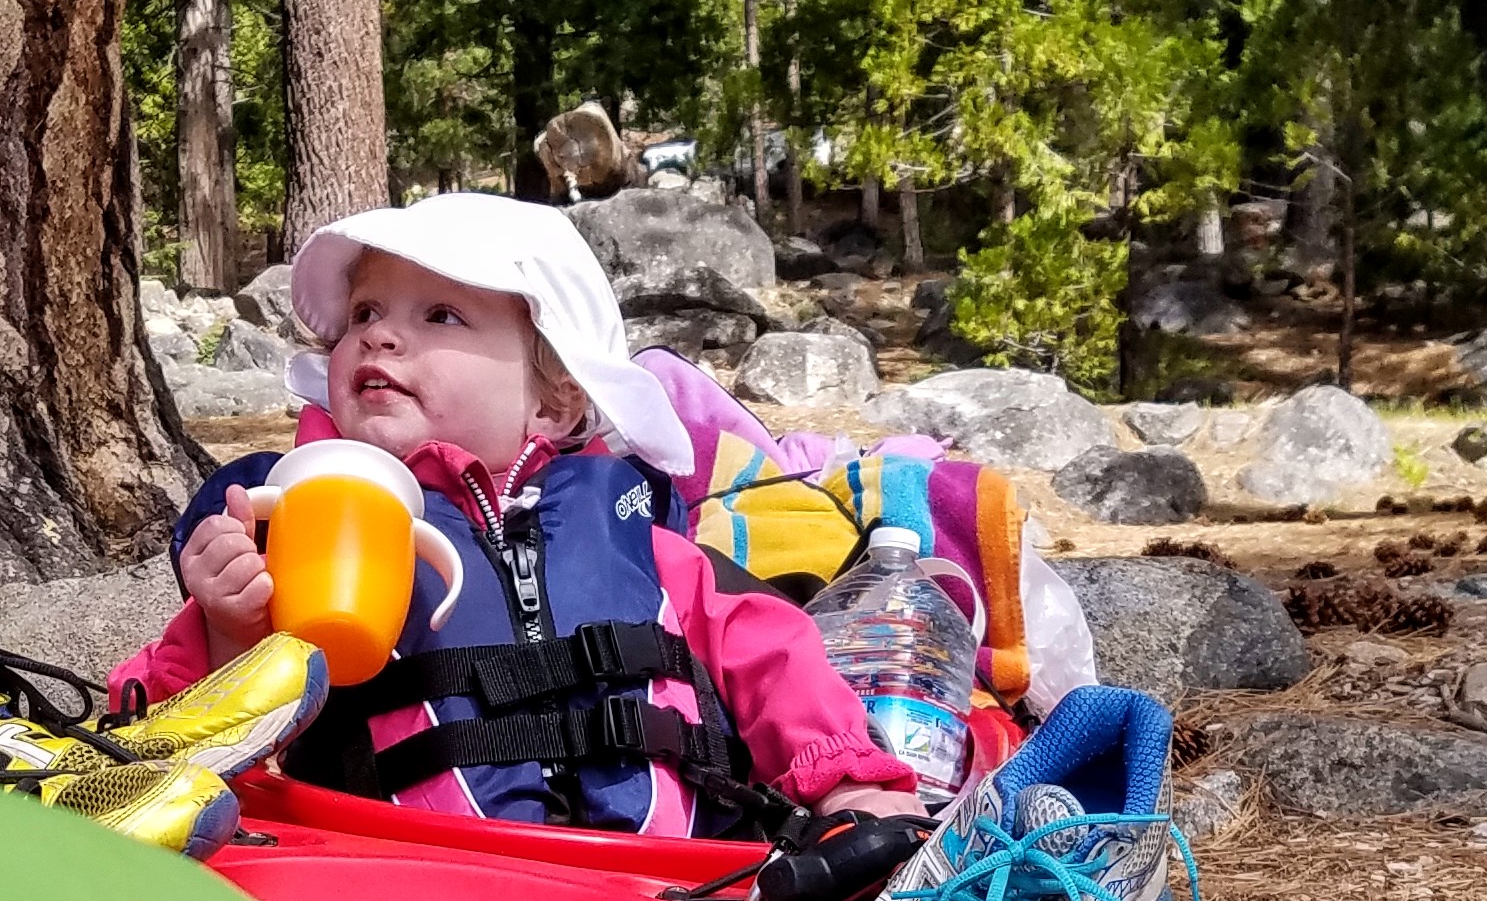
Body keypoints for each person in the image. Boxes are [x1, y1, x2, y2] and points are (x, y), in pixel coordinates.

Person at [110, 194, 919, 838]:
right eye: (362, 314)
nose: (380, 336)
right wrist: (227, 630)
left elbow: (772, 652)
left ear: (557, 396)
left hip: (664, 889)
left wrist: (850, 784)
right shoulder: (300, 526)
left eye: (440, 315)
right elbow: (164, 730)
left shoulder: (638, 539)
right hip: (410, 891)